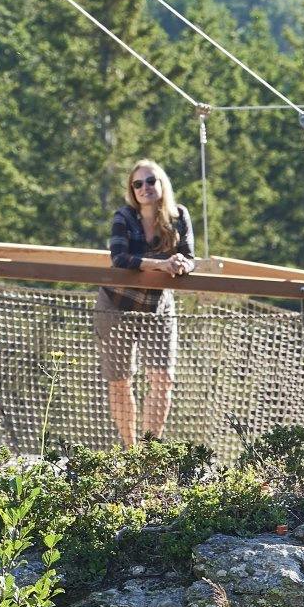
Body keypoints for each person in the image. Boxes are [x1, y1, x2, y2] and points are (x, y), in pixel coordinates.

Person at [96, 158, 194, 447]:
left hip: (157, 306)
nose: (144, 188)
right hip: (117, 305)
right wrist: (161, 265)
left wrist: (183, 265)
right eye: (137, 184)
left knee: (163, 378)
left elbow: (190, 256)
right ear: (132, 190)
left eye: (151, 181)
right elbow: (119, 259)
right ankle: (131, 450)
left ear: (162, 184)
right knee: (120, 380)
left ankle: (151, 450)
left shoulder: (178, 216)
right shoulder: (123, 217)